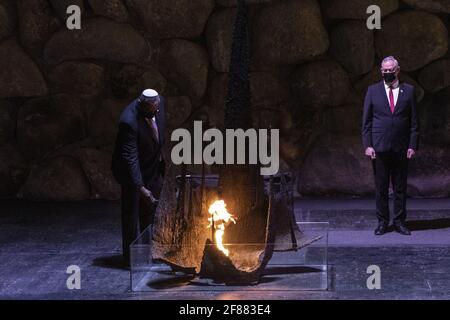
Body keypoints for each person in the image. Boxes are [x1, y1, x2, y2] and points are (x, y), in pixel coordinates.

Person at [362, 56, 419, 236]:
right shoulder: (373, 91)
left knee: (400, 187)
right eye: (384, 70)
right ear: (381, 71)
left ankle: (400, 221)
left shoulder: (409, 91)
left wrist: (412, 144)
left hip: (402, 148)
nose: (387, 73)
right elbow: (367, 121)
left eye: (390, 70)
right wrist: (368, 145)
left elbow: (414, 122)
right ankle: (382, 222)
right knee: (381, 188)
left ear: (398, 70)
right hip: (379, 148)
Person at [112, 89, 166, 266]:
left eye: (157, 107)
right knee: (132, 213)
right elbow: (131, 158)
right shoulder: (128, 122)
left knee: (150, 210)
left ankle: (149, 252)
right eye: (152, 108)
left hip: (152, 165)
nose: (157, 111)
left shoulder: (159, 104)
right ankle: (130, 259)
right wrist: (141, 187)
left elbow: (159, 132)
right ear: (143, 105)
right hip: (131, 172)